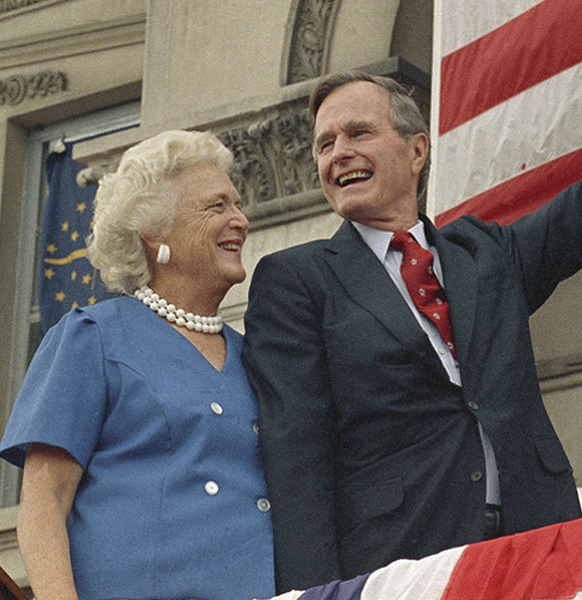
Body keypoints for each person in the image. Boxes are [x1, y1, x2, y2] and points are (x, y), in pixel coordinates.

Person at [241, 70, 582, 593]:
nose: (339, 154)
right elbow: (296, 462)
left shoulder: (484, 253)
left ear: (416, 150)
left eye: (358, 133)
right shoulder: (296, 281)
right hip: (407, 562)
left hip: (537, 540)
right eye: (325, 144)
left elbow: (571, 219)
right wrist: (313, 592)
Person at [0, 130, 275, 600]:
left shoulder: (258, 358)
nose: (241, 220)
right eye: (217, 207)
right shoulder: (93, 337)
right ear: (154, 232)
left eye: (238, 204)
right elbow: (44, 501)